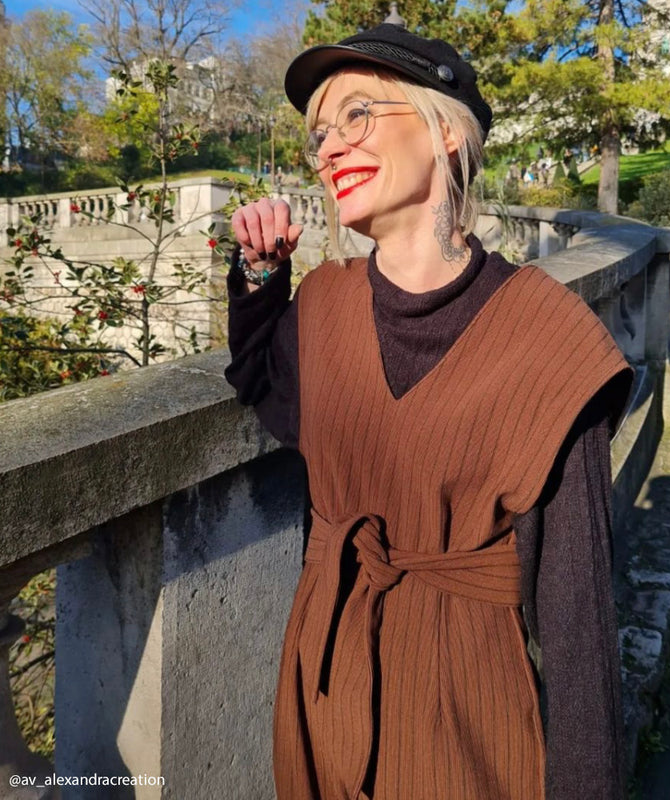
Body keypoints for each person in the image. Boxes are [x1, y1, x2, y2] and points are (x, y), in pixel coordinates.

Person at [225, 22, 632, 800]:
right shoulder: (323, 305)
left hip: (461, 722)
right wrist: (262, 275)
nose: (329, 148)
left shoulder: (548, 339)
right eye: (319, 134)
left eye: (357, 115)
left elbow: (579, 630)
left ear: (446, 130)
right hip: (321, 685)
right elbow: (261, 384)